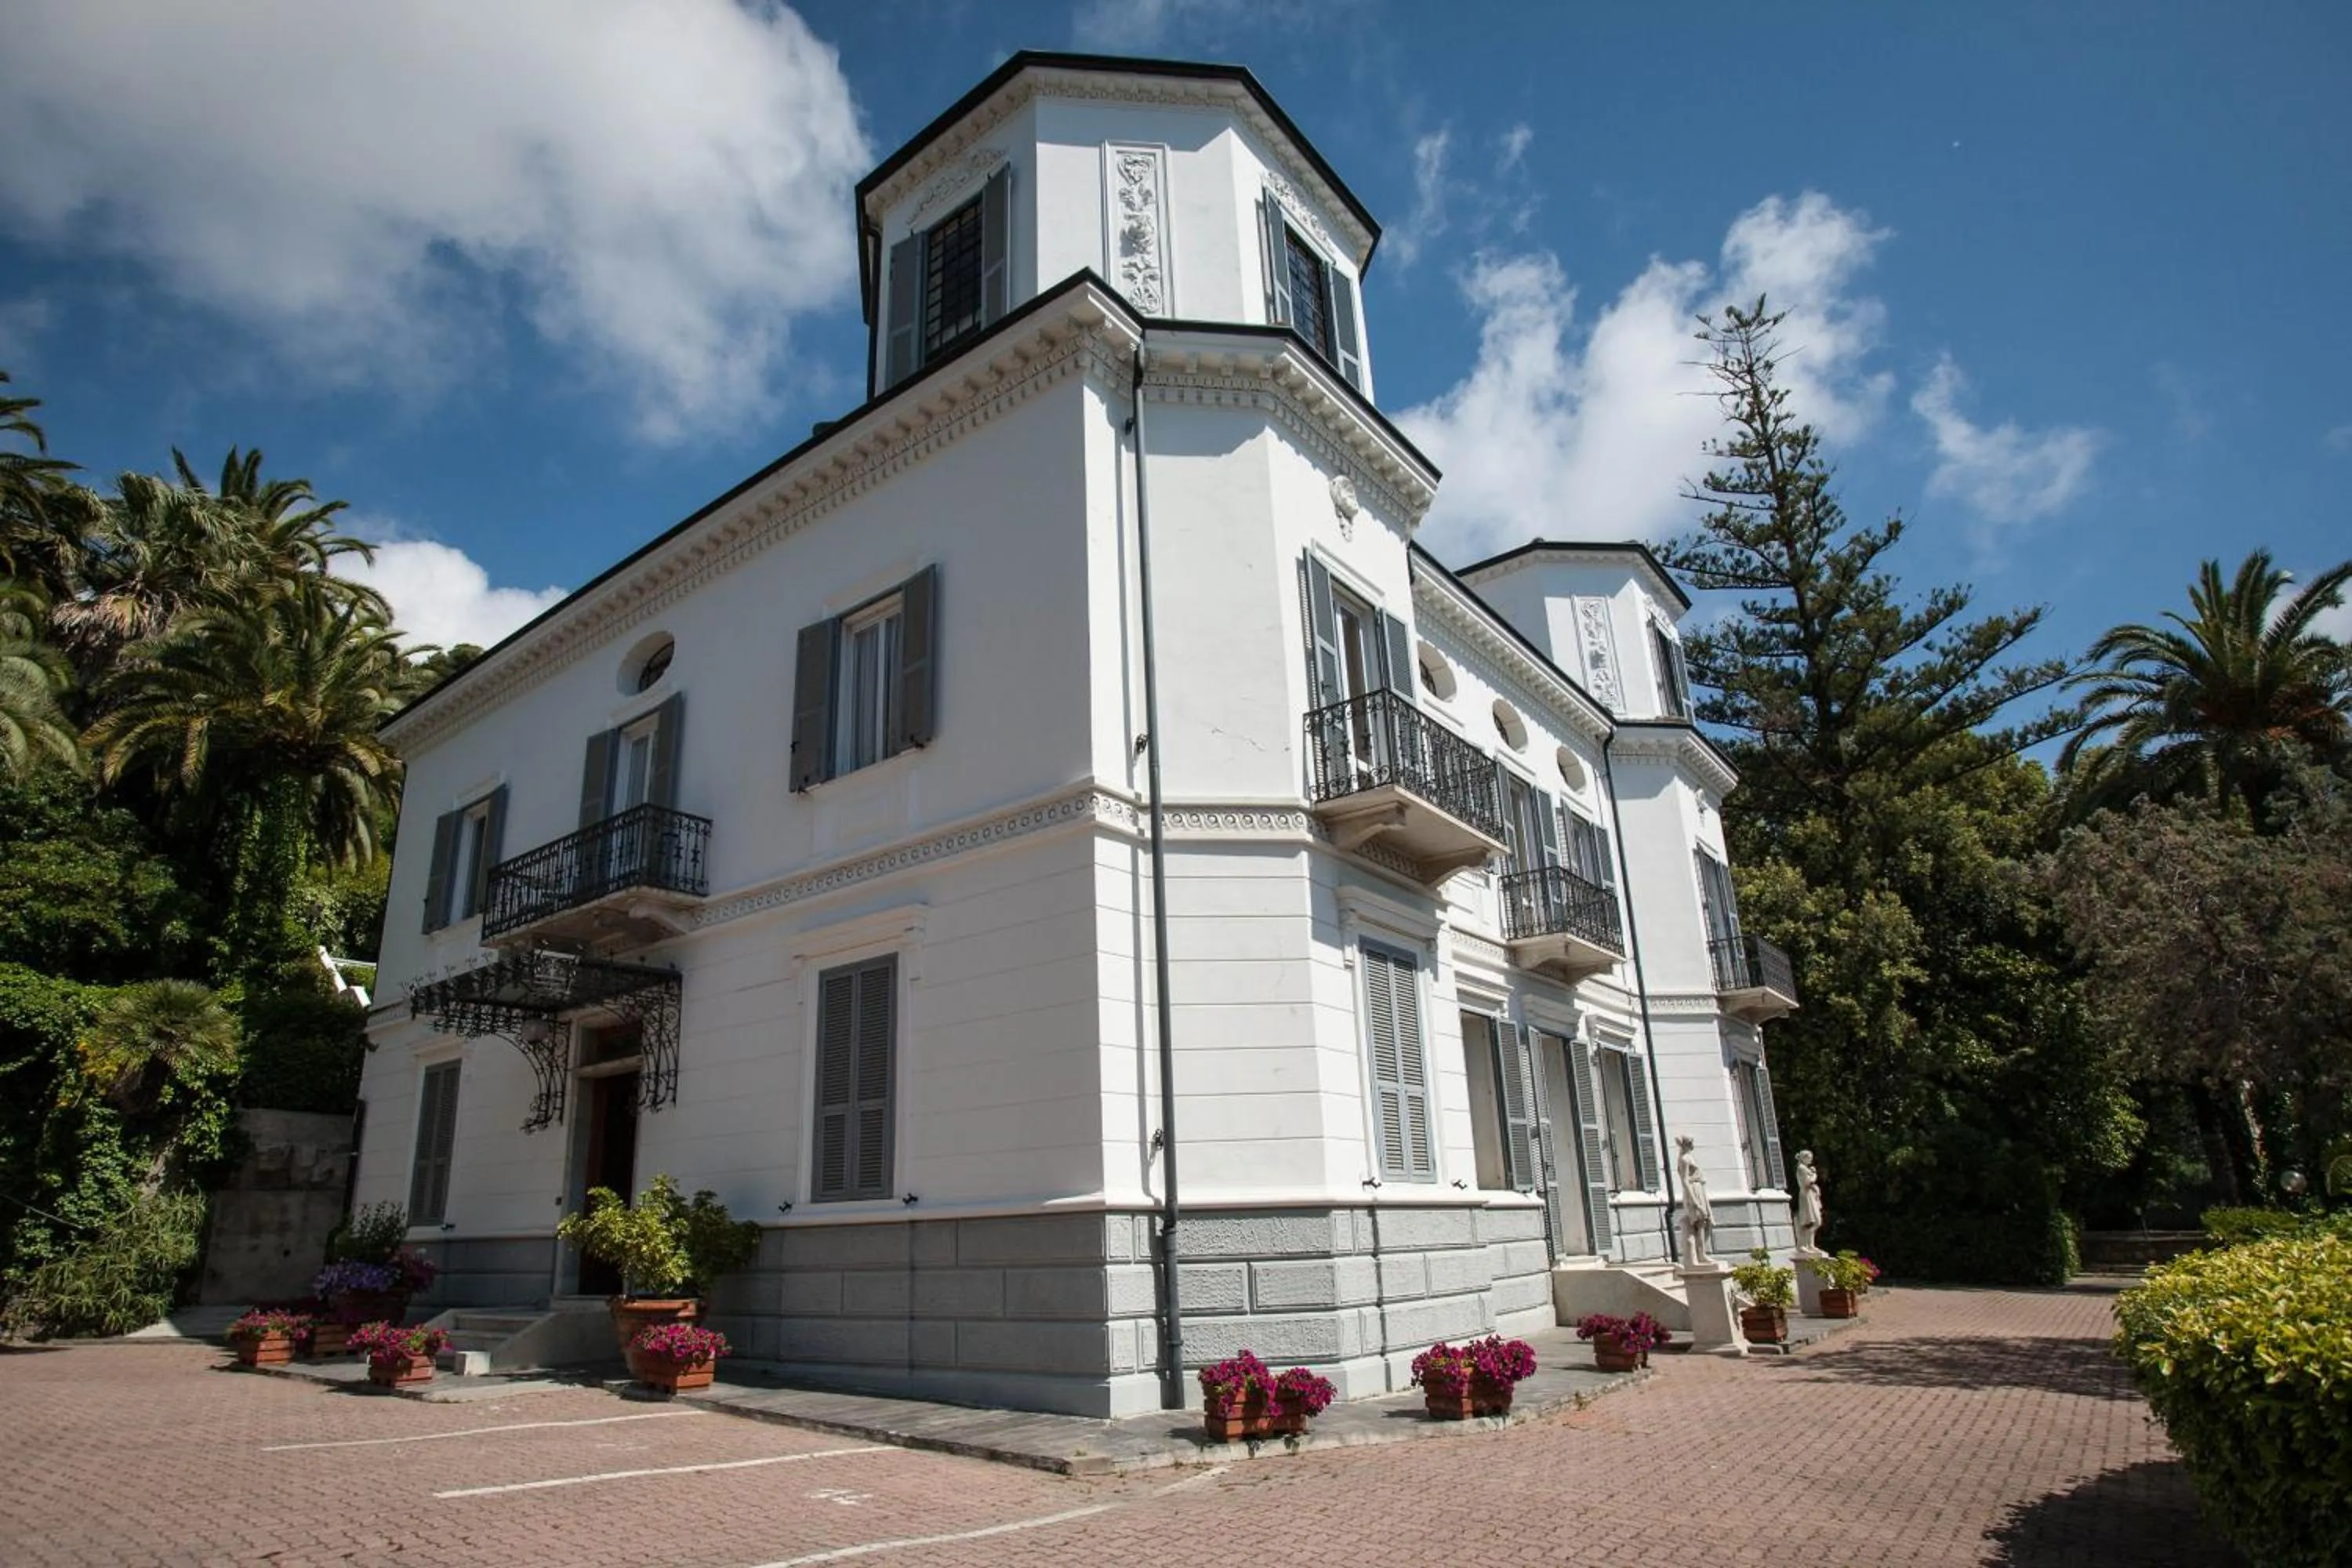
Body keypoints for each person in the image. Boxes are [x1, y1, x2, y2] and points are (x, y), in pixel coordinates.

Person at [1676, 1135, 1714, 1265]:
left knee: (1706, 1222)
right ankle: (1700, 1254)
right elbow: (1685, 1180)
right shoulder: (1684, 1159)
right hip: (1693, 1191)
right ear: (1686, 1144)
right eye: (1691, 1142)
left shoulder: (1689, 1157)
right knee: (1700, 1223)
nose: (1693, 1144)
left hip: (1698, 1189)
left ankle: (1702, 1252)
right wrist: (1696, 1202)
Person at [1793, 1149, 1824, 1254]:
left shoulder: (1805, 1169)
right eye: (1809, 1157)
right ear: (1803, 1158)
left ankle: (1809, 1245)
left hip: (1810, 1195)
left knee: (1815, 1221)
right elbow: (1809, 1182)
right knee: (1811, 1221)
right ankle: (1803, 1245)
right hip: (1806, 1196)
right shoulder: (1802, 1169)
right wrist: (1814, 1174)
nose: (1811, 1159)